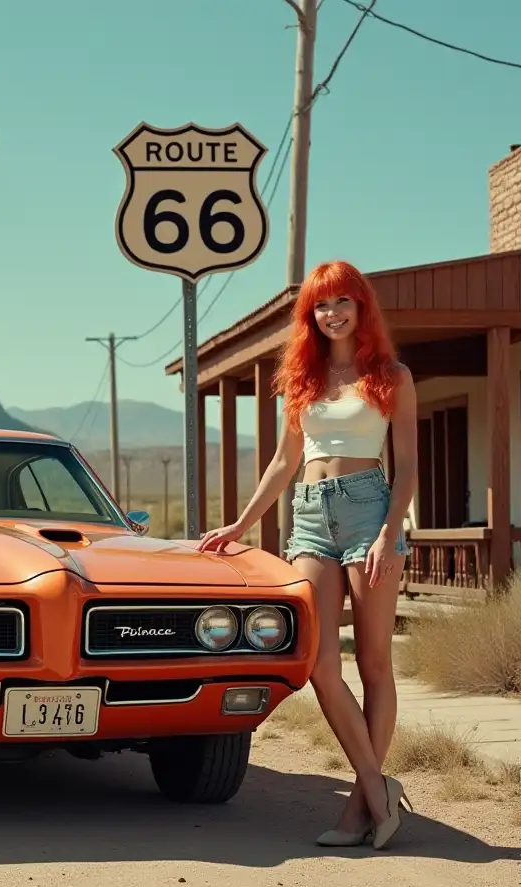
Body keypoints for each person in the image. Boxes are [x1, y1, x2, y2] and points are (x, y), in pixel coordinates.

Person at [198, 259, 417, 850]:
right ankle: (379, 791)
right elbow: (282, 462)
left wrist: (387, 533)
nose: (332, 313)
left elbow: (409, 468)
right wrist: (244, 522)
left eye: (342, 302)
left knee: (374, 663)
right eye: (322, 305)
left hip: (371, 512)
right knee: (320, 664)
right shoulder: (303, 379)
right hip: (311, 516)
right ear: (311, 316)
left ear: (361, 307)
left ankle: (356, 810)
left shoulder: (392, 375)